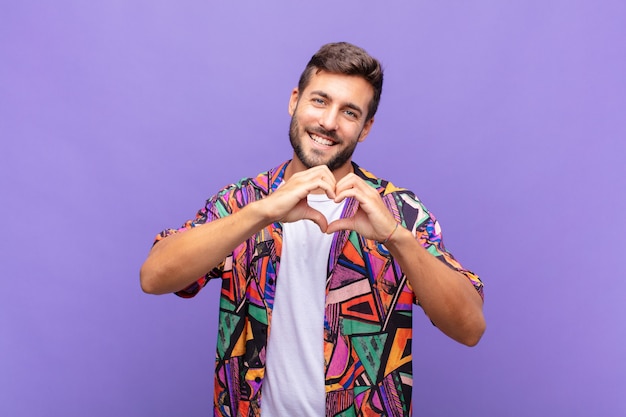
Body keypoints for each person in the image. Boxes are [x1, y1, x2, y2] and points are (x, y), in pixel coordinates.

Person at [140, 41, 485, 417]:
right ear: (295, 101)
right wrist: (262, 213)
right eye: (320, 101)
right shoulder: (244, 201)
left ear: (365, 128)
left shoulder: (397, 211)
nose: (329, 122)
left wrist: (397, 238)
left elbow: (469, 328)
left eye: (349, 112)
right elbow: (155, 276)